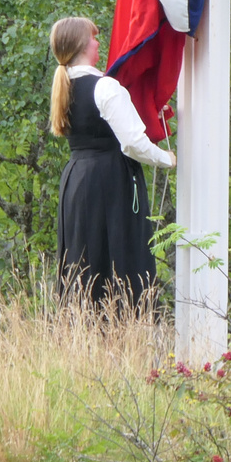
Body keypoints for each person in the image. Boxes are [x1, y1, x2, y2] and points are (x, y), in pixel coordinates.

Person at [48, 16, 175, 311]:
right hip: (109, 180)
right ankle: (122, 330)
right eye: (93, 38)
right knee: (119, 256)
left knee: (84, 259)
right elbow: (131, 141)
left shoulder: (67, 85)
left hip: (77, 181)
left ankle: (86, 333)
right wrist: (166, 159)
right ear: (81, 45)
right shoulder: (104, 87)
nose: (98, 42)